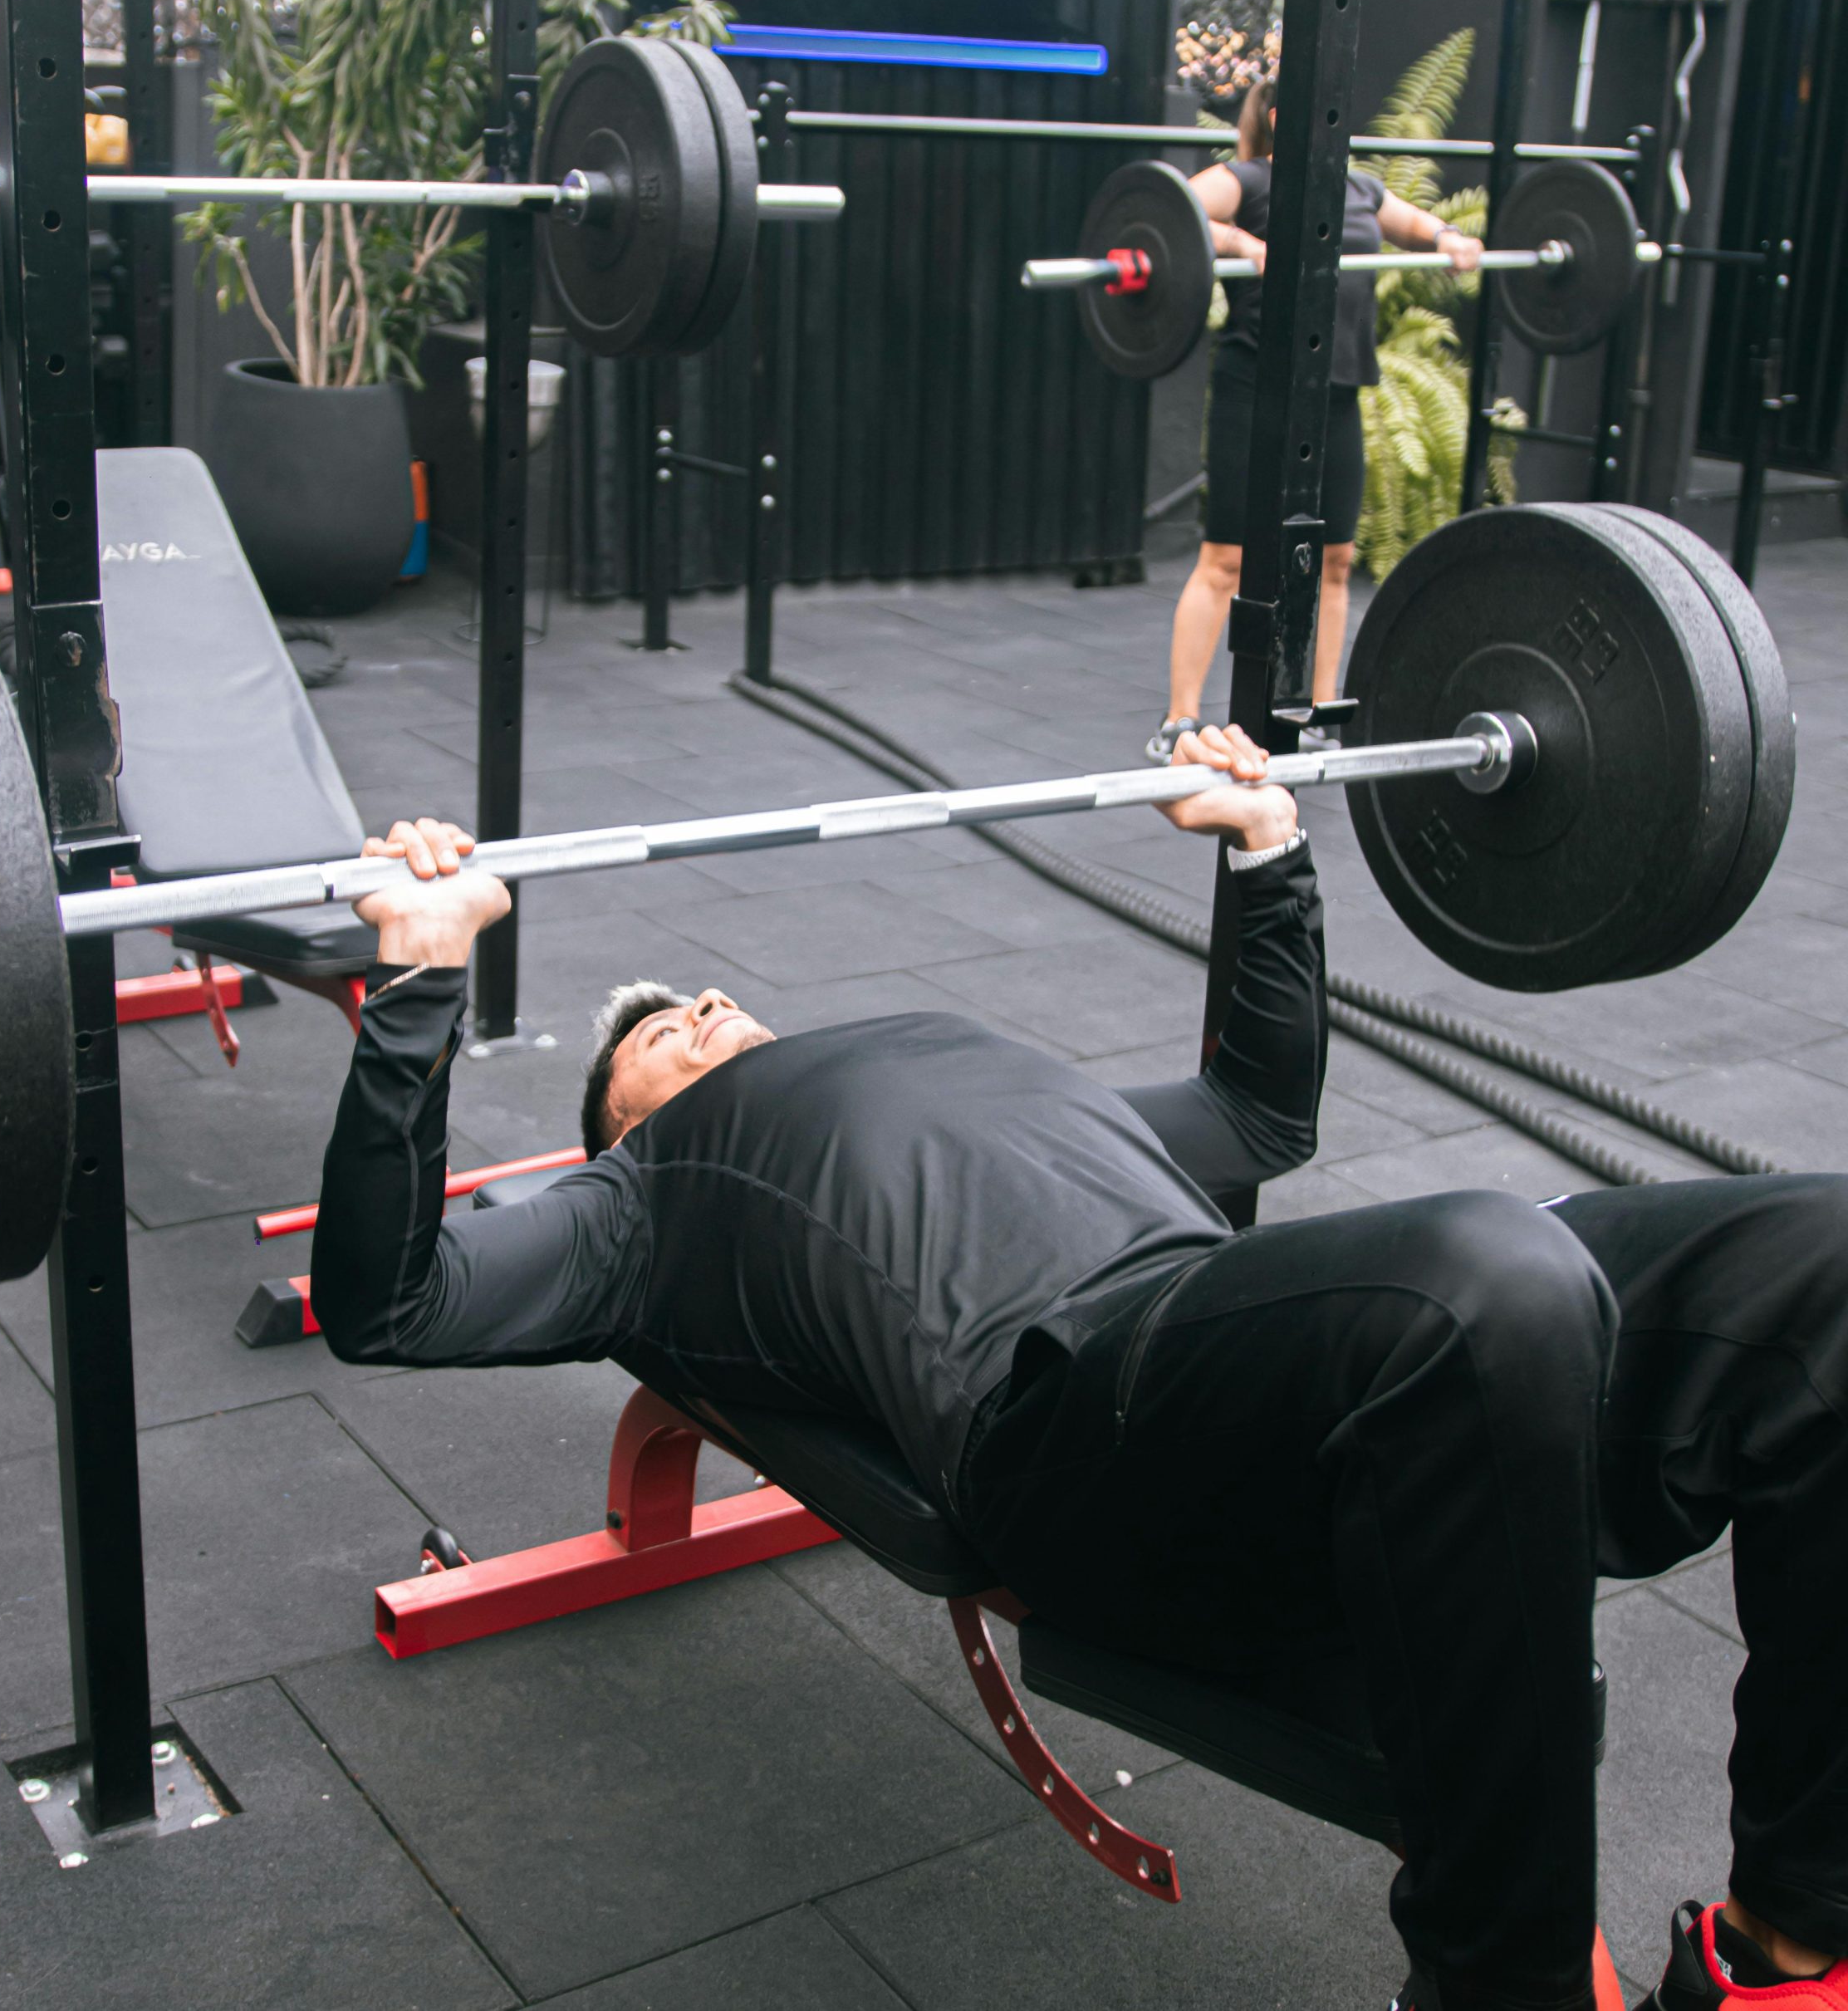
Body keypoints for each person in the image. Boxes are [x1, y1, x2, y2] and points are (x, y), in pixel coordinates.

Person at [311, 744, 1848, 2011]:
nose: (690, 1013)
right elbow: (387, 1300)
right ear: (621, 1131)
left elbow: (1255, 1114)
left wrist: (1264, 855)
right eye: (651, 1044)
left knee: (1822, 1272)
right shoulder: (642, 1204)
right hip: (1066, 1426)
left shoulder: (971, 1067)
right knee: (1488, 1280)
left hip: (1239, 1339)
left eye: (700, 1000)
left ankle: (1783, 1951)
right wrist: (423, 990)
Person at [1146, 81, 1486, 763]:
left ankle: (1314, 714)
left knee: (1334, 561)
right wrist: (1241, 242)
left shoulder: (1359, 189)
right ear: (1281, 119)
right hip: (1258, 389)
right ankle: (1180, 720)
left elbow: (1417, 224)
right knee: (1226, 560)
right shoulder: (1247, 179)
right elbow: (1171, 211)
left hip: (1337, 394)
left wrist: (1449, 236)